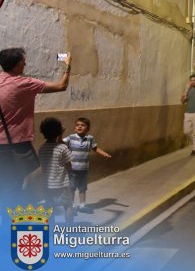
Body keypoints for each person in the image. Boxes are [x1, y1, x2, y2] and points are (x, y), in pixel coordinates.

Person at [0, 47, 71, 208]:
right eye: (23, 61)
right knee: (14, 183)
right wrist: (68, 65)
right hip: (16, 145)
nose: (25, 63)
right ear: (16, 64)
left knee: (6, 183)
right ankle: (9, 222)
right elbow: (61, 86)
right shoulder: (24, 83)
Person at [63, 117, 111, 213]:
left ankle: (82, 206)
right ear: (74, 128)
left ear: (88, 128)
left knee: (82, 188)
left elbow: (96, 148)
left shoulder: (90, 139)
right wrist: (59, 134)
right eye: (77, 125)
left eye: (83, 125)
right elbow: (61, 142)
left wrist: (105, 154)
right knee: (71, 188)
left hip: (83, 169)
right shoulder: (71, 137)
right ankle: (71, 207)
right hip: (72, 169)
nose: (79, 126)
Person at [38, 117, 74, 223]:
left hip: (47, 185)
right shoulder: (62, 148)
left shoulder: (42, 148)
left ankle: (50, 230)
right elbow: (69, 164)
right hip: (62, 184)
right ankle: (70, 229)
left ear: (43, 132)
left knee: (49, 208)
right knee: (68, 205)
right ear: (58, 132)